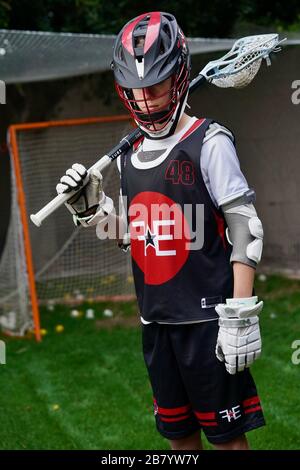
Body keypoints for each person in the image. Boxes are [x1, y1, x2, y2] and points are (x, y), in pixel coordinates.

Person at [56, 12, 265, 450]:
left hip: (210, 323)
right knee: (179, 440)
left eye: (155, 86)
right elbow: (136, 234)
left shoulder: (209, 142)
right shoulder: (127, 156)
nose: (146, 102)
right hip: (157, 324)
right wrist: (92, 211)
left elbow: (246, 228)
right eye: (136, 90)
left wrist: (241, 315)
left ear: (179, 75)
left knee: (227, 442)